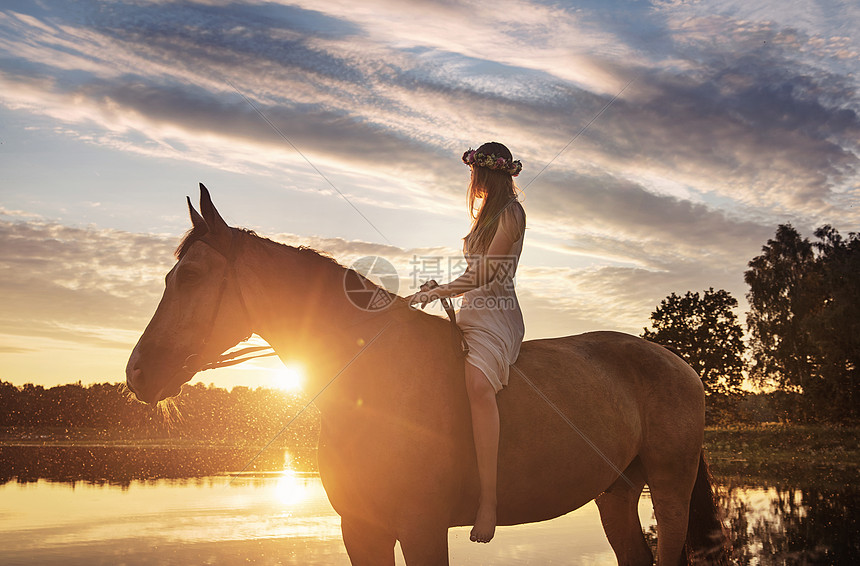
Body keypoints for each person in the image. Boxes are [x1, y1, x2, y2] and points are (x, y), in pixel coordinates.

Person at [407, 141, 526, 543]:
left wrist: (437, 292)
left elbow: (486, 276)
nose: (471, 181)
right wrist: (438, 290)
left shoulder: (511, 213)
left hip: (496, 311)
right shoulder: (484, 216)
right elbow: (471, 275)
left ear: (486, 173)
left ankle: (488, 501)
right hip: (472, 306)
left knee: (478, 385)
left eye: (474, 173)